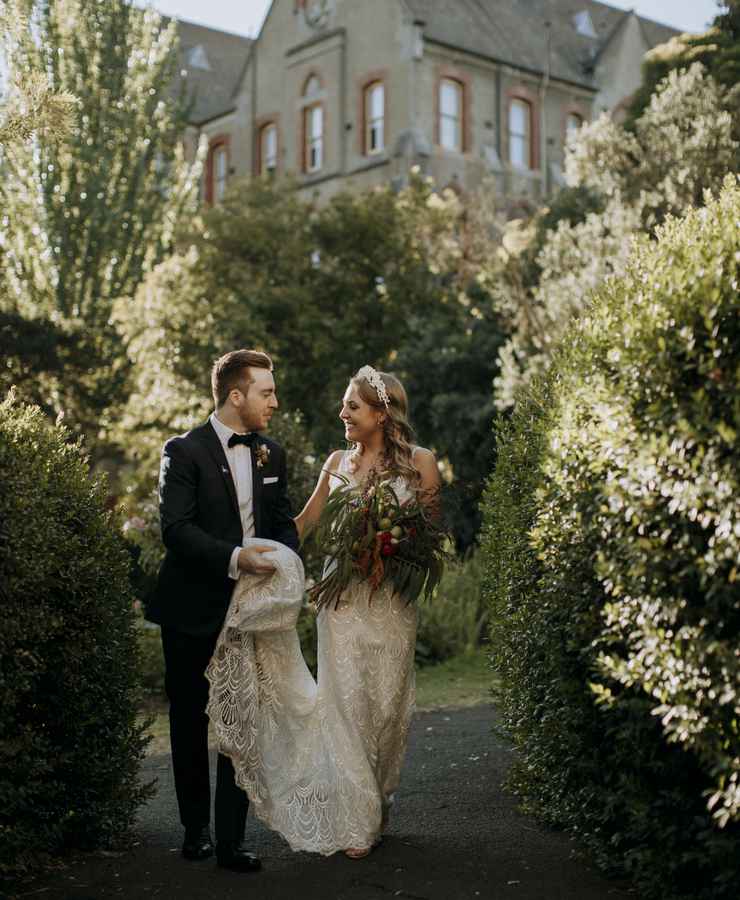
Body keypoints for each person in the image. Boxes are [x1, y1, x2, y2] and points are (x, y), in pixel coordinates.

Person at [206, 366, 441, 859]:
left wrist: (389, 548)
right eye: (344, 405)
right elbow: (303, 525)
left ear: (382, 413)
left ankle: (377, 798)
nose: (343, 414)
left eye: (352, 406)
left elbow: (430, 541)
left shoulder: (421, 464)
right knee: (345, 709)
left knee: (387, 710)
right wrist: (248, 551)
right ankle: (356, 819)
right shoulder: (336, 462)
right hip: (340, 605)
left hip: (392, 608)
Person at [147, 349, 299, 873]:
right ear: (236, 396)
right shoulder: (182, 451)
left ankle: (233, 841)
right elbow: (177, 529)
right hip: (191, 607)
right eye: (266, 393)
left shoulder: (271, 454)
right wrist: (237, 558)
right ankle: (196, 831)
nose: (274, 402)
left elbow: (282, 523)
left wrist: (282, 560)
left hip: (249, 611)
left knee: (243, 721)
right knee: (190, 719)